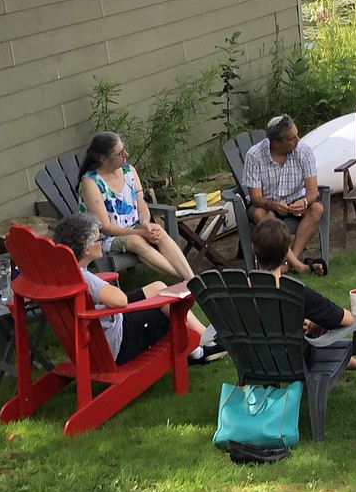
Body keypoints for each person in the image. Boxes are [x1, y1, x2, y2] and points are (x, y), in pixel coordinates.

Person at [53, 213, 226, 365]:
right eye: (98, 239)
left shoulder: (64, 273)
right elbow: (119, 300)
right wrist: (106, 288)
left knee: (158, 287)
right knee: (170, 306)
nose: (101, 241)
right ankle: (199, 352)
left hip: (97, 332)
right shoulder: (85, 278)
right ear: (86, 248)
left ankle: (205, 338)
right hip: (117, 343)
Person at [78, 131, 194, 281]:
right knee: (135, 241)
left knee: (158, 231)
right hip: (105, 238)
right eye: (119, 153)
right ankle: (191, 282)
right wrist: (140, 233)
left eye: (124, 149)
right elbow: (105, 227)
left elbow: (141, 203)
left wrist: (145, 224)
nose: (126, 154)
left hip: (134, 228)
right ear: (104, 159)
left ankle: (191, 279)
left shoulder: (129, 171)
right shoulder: (91, 183)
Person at [242, 114, 326, 275]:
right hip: (268, 204)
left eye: (297, 135)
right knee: (261, 214)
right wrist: (274, 205)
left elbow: (313, 192)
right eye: (292, 138)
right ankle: (298, 265)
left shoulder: (304, 151)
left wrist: (305, 202)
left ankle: (287, 264)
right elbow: (255, 198)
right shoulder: (254, 156)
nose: (298, 140)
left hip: (297, 203)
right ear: (276, 143)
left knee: (317, 209)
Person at [251, 218, 352, 335]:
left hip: (250, 353)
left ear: (253, 248)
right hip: (293, 353)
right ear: (286, 252)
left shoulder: (238, 289)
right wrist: (318, 322)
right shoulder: (296, 291)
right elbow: (348, 319)